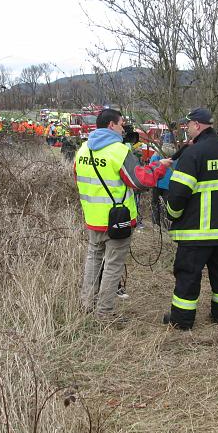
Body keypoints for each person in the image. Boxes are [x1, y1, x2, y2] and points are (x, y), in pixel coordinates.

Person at [74, 109, 171, 320]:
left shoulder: (82, 149)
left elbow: (77, 177)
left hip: (92, 217)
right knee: (112, 265)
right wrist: (159, 167)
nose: (123, 128)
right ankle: (105, 312)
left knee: (93, 260)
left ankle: (86, 304)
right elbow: (140, 181)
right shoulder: (118, 151)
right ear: (111, 125)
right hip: (117, 220)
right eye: (121, 123)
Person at [163, 108, 218, 330]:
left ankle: (182, 320)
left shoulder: (192, 154)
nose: (187, 129)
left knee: (188, 275)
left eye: (188, 125)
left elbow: (178, 193)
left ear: (197, 124)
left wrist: (172, 215)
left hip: (196, 231)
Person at [149, 143, 176, 227]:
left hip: (157, 184)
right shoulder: (175, 157)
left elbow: (150, 167)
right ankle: (166, 224)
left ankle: (156, 223)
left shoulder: (156, 155)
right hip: (169, 185)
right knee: (166, 205)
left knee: (155, 203)